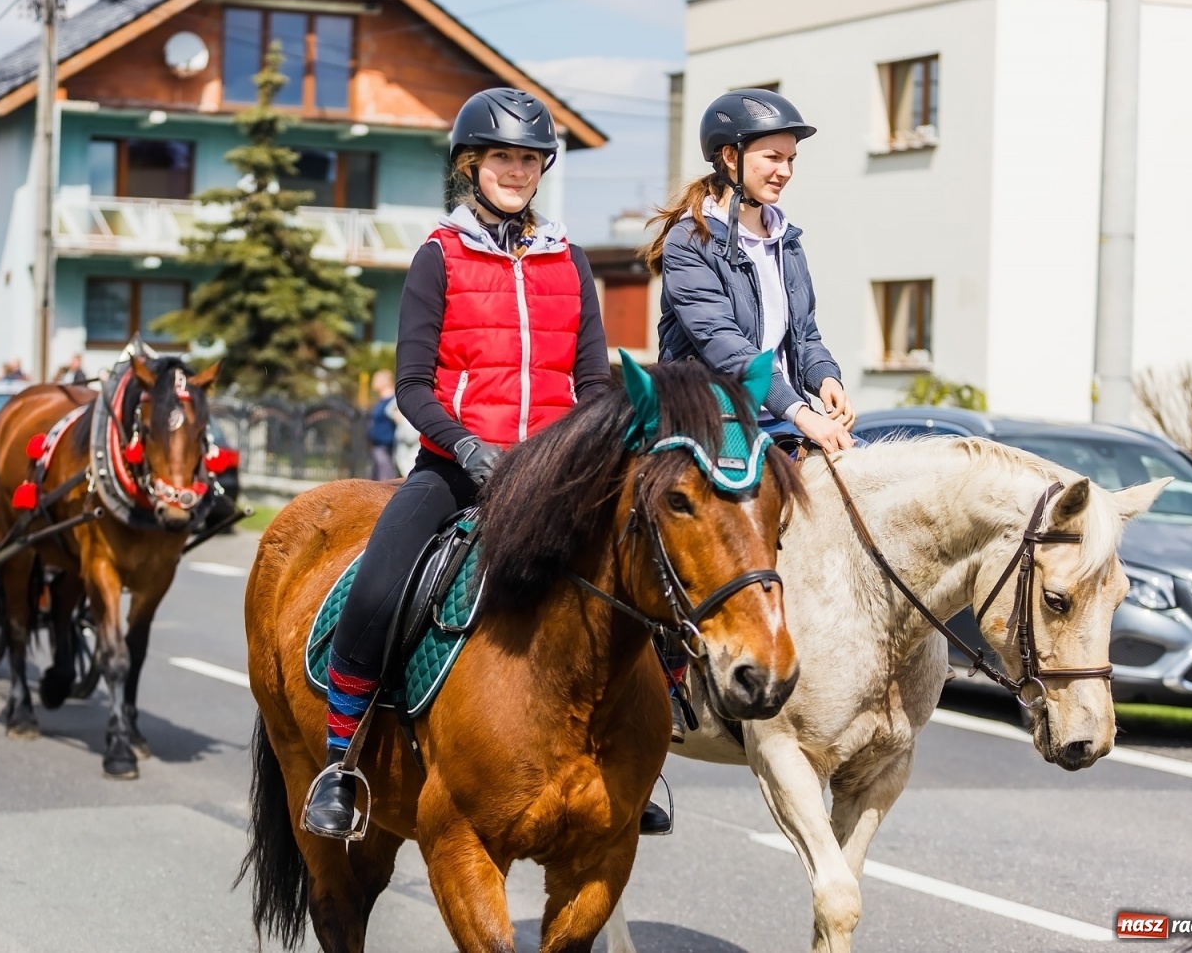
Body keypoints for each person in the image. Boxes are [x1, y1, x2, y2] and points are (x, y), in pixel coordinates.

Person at [302, 87, 666, 839]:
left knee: (651, 569)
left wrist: (586, 451)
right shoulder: (439, 255)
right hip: (457, 467)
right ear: (472, 165)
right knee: (375, 588)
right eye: (502, 156)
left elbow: (594, 382)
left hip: (556, 473)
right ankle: (341, 762)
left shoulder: (568, 260)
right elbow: (411, 384)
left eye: (529, 159)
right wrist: (466, 445)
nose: (516, 170)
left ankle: (641, 759)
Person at [644, 89, 855, 453]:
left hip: (781, 417)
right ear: (729, 156)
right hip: (712, 419)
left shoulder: (787, 241)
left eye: (791, 159)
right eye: (773, 157)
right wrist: (803, 413)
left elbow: (805, 335)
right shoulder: (689, 241)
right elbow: (724, 344)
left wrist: (825, 377)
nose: (785, 171)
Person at [366, 369, 399, 481]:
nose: (373, 383)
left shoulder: (394, 401)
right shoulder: (379, 401)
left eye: (375, 380)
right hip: (376, 445)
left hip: (386, 446)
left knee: (385, 479)